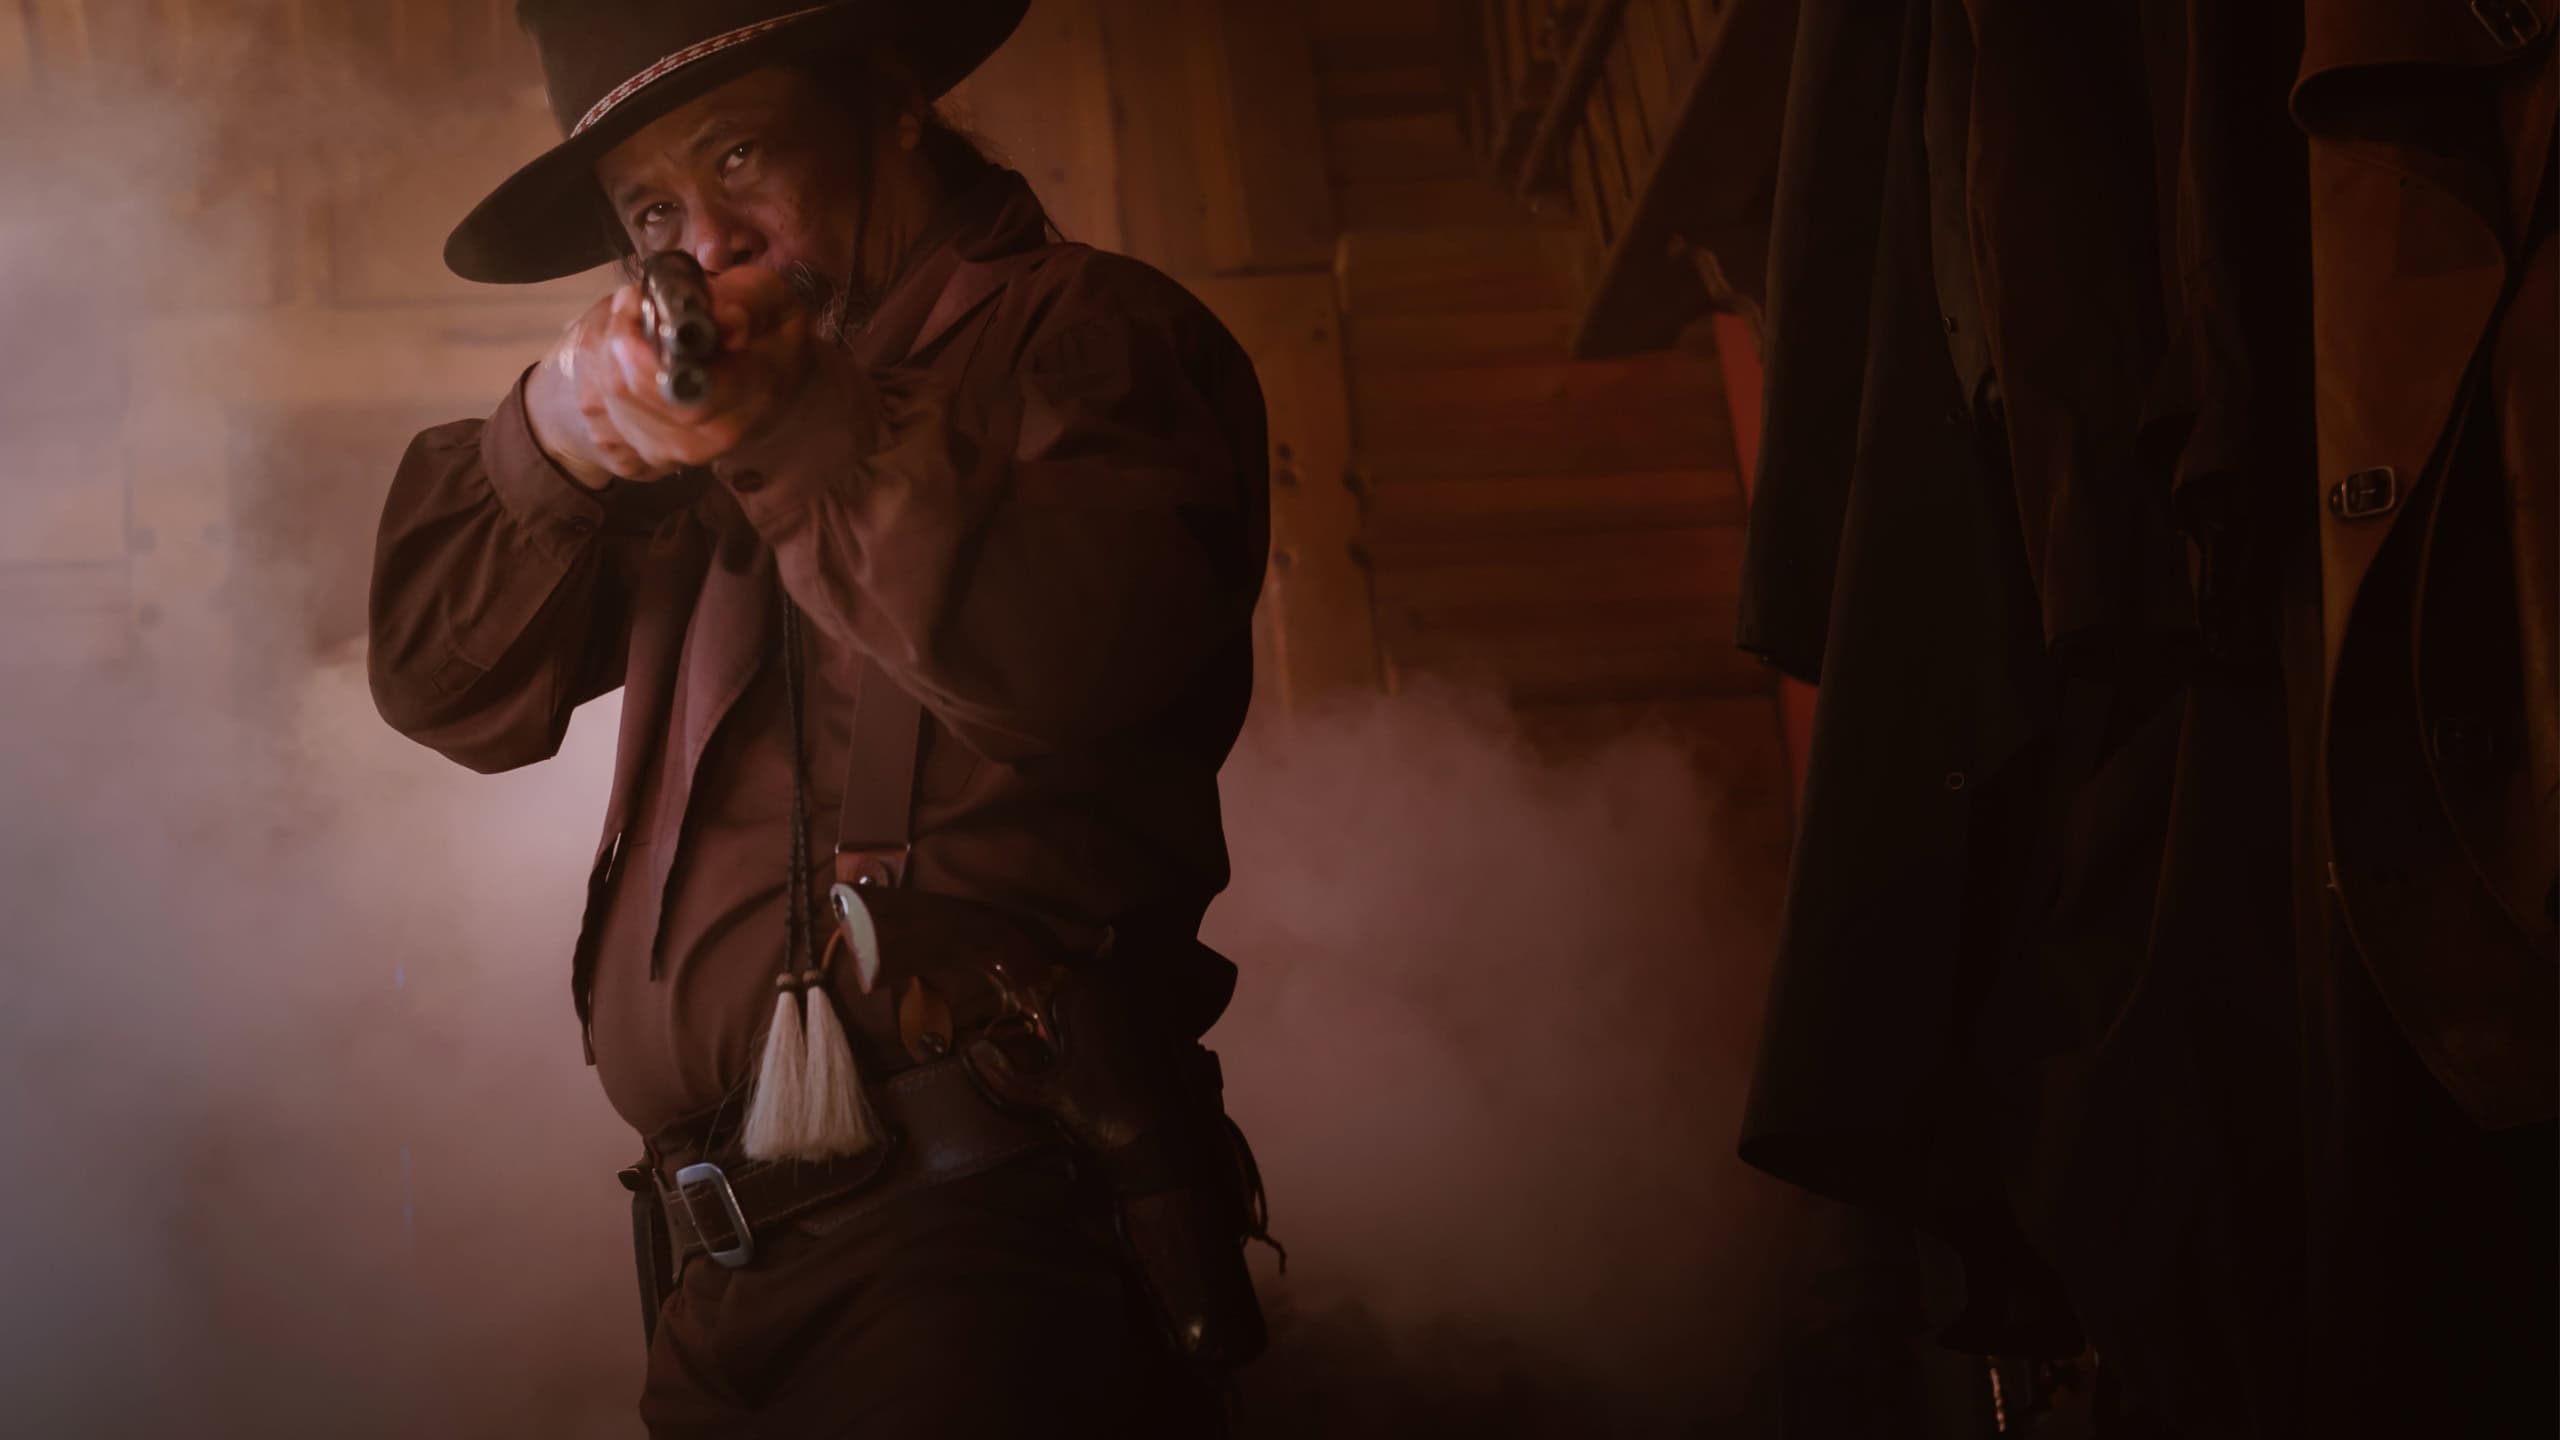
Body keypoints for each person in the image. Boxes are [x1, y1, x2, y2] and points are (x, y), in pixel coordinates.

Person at [366, 1, 1273, 1433]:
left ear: (893, 102)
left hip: (982, 1241)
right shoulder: (693, 400)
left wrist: (803, 421)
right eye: (655, 205)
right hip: (716, 1279)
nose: (707, 236)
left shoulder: (1088, 331)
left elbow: (1064, 667)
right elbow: (440, 686)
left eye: (741, 155)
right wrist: (556, 439)